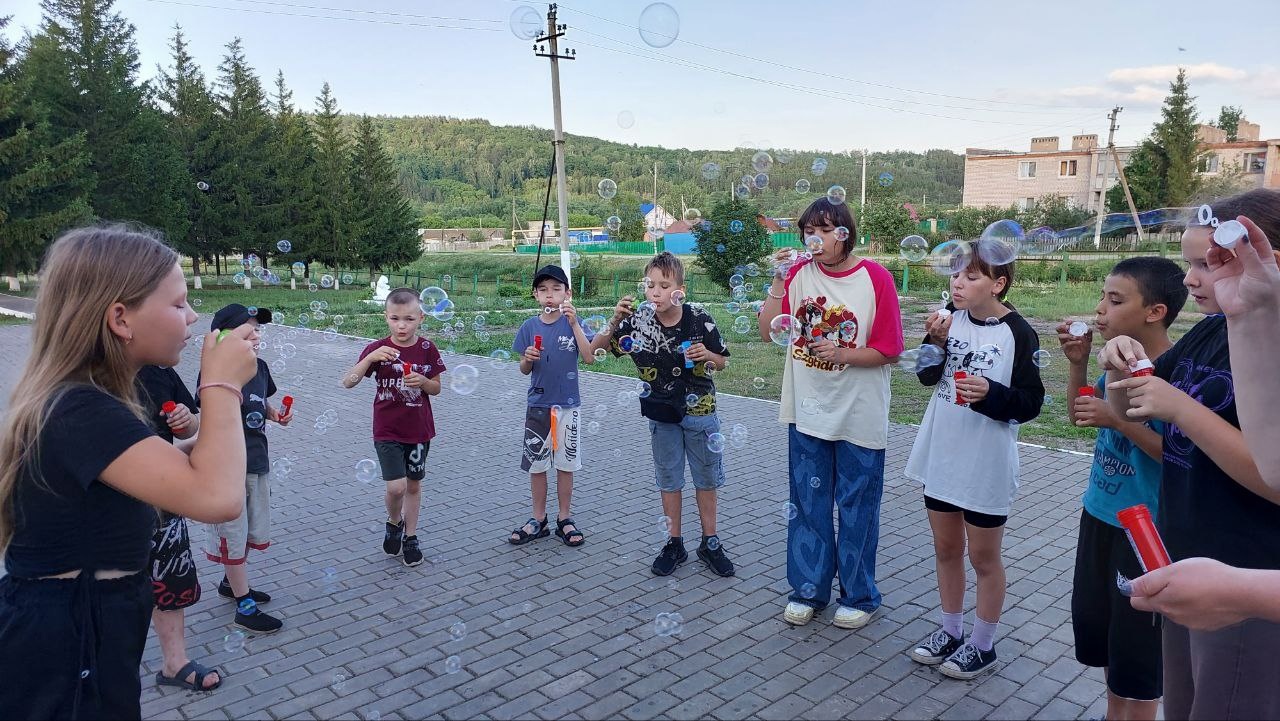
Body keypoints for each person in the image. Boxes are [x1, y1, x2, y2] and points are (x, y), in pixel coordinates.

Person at [0, 224, 256, 719]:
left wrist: (195, 439)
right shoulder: (81, 409)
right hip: (70, 632)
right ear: (121, 317)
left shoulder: (82, 400)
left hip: (85, 622)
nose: (193, 315)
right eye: (179, 303)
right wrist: (221, 384)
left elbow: (158, 469)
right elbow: (220, 499)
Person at [1100, 189, 1280, 718]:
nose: (1192, 278)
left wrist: (1181, 409)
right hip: (1187, 560)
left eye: (1209, 262)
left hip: (1246, 575)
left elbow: (1273, 478)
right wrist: (1115, 367)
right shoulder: (1210, 330)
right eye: (1192, 263)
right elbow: (1130, 407)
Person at [757, 197, 903, 631]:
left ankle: (860, 594)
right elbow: (769, 332)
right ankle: (808, 589)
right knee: (807, 505)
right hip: (808, 411)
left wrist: (841, 352)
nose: (815, 239)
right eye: (809, 231)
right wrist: (777, 283)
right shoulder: (798, 275)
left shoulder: (875, 278)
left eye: (825, 229)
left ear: (845, 233)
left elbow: (889, 350)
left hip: (859, 414)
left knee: (857, 507)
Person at [905, 247, 1044, 680]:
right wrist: (935, 342)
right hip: (943, 451)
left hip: (985, 461)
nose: (957, 284)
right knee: (947, 549)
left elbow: (1031, 403)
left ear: (998, 284)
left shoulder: (1019, 333)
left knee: (984, 558)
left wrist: (991, 396)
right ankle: (951, 631)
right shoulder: (949, 317)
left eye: (970, 277)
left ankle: (982, 644)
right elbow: (927, 377)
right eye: (955, 276)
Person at [1056, 257, 1186, 721]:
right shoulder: (1117, 362)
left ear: (1155, 311)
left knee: (1139, 657)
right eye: (1102, 297)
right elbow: (1081, 415)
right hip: (1099, 516)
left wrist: (1121, 423)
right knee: (1105, 639)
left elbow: (1177, 458)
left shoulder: (1174, 374)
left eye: (1115, 300)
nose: (1100, 310)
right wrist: (1078, 365)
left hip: (1145, 533)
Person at [595, 251, 735, 577]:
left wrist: (707, 355)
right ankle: (674, 543)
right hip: (662, 413)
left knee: (706, 477)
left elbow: (722, 362)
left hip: (700, 411)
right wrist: (615, 321)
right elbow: (594, 352)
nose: (655, 292)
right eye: (650, 285)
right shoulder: (637, 322)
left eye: (664, 285)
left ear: (680, 289)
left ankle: (710, 542)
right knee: (669, 479)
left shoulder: (700, 318)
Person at [201, 304, 292, 633]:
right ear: (223, 336)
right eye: (248, 329)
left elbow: (259, 403)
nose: (257, 334)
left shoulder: (261, 367)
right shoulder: (216, 369)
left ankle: (231, 583)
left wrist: (273, 415)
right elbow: (211, 408)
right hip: (228, 466)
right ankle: (244, 606)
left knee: (251, 529)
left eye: (258, 328)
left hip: (256, 459)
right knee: (233, 533)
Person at [341, 287, 444, 567]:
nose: (402, 325)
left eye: (409, 319)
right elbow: (348, 381)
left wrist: (423, 383)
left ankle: (410, 536)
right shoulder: (377, 349)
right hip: (387, 430)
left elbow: (436, 388)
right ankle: (394, 521)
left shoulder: (427, 349)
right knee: (396, 487)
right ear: (385, 317)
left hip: (419, 431)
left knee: (413, 485)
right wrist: (368, 360)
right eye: (395, 318)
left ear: (421, 318)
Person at [137, 365, 222, 692]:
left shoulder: (160, 372)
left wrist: (188, 421)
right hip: (109, 506)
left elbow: (192, 429)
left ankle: (175, 663)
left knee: (169, 579)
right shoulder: (90, 370)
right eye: (175, 308)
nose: (189, 318)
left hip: (162, 497)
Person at [508, 265, 595, 547]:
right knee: (537, 466)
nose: (550, 295)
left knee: (565, 465)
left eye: (556, 289)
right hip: (538, 405)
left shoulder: (573, 323)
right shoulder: (529, 327)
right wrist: (528, 358)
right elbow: (523, 369)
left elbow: (589, 357)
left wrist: (574, 324)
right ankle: (538, 519)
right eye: (543, 290)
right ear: (535, 295)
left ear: (567, 294)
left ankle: (565, 518)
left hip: (568, 406)